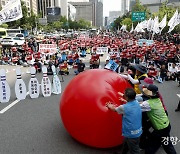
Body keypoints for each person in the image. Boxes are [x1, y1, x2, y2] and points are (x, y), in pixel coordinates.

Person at [140, 84, 177, 154]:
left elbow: (136, 107)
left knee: (151, 146)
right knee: (167, 145)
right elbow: (144, 104)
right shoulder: (157, 99)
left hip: (160, 129)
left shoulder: (148, 104)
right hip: (166, 126)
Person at [106, 88, 142, 154]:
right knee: (126, 144)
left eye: (124, 94)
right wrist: (124, 99)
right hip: (138, 130)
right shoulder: (137, 102)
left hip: (131, 133)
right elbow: (130, 102)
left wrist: (109, 105)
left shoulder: (124, 107)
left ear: (127, 97)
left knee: (134, 150)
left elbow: (114, 109)